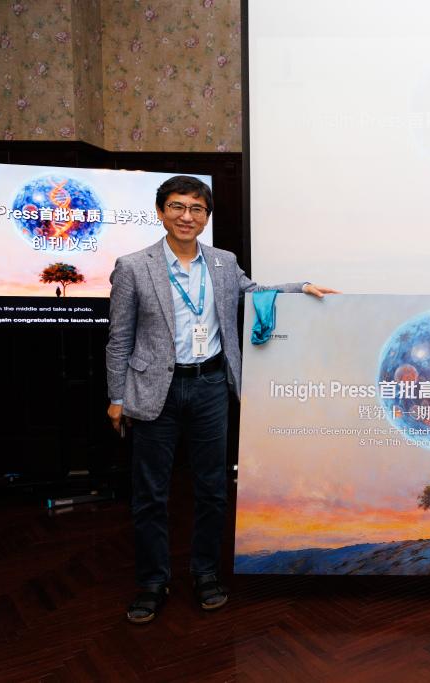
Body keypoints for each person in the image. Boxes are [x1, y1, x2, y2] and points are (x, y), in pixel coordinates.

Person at [106, 175, 337, 624]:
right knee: (151, 494)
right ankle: (152, 582)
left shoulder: (223, 262)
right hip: (154, 390)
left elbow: (253, 294)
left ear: (206, 217)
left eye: (196, 209)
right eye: (177, 207)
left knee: (212, 489)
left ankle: (205, 573)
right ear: (160, 212)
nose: (186, 216)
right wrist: (116, 397)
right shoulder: (133, 266)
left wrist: (301, 288)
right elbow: (119, 339)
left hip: (211, 386)